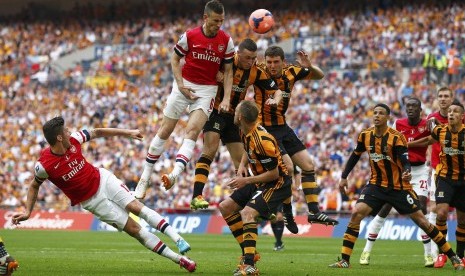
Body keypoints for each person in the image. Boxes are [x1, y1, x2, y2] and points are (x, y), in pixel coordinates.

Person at [11, 117, 196, 272]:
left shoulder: (74, 140)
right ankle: (179, 259)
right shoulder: (44, 165)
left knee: (135, 207)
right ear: (59, 137)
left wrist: (128, 132)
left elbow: (97, 132)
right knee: (135, 230)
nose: (70, 132)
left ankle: (178, 238)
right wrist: (28, 212)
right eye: (66, 131)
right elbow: (34, 186)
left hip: (103, 179)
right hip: (91, 201)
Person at [329, 103, 463, 270]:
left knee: (423, 222)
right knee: (356, 213)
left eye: (380, 113)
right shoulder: (365, 135)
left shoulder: (396, 137)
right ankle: (345, 260)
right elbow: (355, 156)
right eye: (375, 113)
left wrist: (407, 171)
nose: (376, 116)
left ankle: (453, 256)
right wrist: (343, 177)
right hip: (376, 185)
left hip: (399, 187)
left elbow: (405, 160)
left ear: (387, 118)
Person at [134, 0, 235, 198]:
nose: (219, 25)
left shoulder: (226, 41)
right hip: (184, 86)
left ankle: (174, 174)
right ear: (205, 18)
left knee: (192, 131)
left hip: (207, 91)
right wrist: (180, 84)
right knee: (165, 130)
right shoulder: (190, 36)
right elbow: (174, 58)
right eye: (215, 20)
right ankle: (145, 177)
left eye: (221, 21)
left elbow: (229, 72)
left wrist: (226, 99)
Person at [190, 38, 282, 210]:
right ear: (238, 54)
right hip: (216, 112)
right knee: (209, 150)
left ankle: (253, 204)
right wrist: (214, 77)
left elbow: (276, 90)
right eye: (247, 58)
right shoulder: (225, 62)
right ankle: (197, 195)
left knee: (241, 161)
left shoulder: (255, 72)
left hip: (234, 118)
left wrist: (275, 100)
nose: (251, 62)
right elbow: (200, 73)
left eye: (254, 58)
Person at [255, 45, 338, 226]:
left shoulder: (291, 72)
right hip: (265, 129)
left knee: (308, 165)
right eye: (269, 62)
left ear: (283, 62)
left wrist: (309, 65)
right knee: (289, 168)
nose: (272, 66)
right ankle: (287, 211)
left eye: (276, 62)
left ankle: (314, 212)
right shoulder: (258, 71)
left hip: (283, 127)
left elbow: (319, 75)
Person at [218, 100, 292, 276]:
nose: (234, 114)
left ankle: (249, 266)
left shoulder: (262, 140)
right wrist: (243, 165)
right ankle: (249, 253)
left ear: (240, 117)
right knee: (225, 207)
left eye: (236, 111)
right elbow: (246, 149)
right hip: (259, 181)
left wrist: (246, 180)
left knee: (247, 214)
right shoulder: (245, 130)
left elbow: (274, 174)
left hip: (277, 184)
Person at [359, 97, 433, 267]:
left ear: (420, 109)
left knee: (421, 207)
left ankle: (428, 255)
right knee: (385, 207)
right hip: (399, 171)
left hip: (420, 171)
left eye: (415, 106)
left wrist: (408, 144)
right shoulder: (398, 124)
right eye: (408, 106)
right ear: (405, 109)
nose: (411, 109)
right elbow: (388, 143)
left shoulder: (427, 124)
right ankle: (366, 251)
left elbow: (433, 139)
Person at [409, 99, 465, 266]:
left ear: (462, 116)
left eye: (455, 111)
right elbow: (427, 141)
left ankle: (460, 256)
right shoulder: (440, 131)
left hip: (463, 181)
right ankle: (442, 254)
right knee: (441, 213)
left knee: (462, 221)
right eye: (450, 112)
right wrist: (408, 144)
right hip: (445, 178)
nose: (451, 114)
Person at [425, 86, 454, 267]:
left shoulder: (460, 116)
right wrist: (429, 162)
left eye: (446, 96)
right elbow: (430, 141)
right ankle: (439, 252)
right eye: (440, 96)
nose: (443, 99)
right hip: (439, 170)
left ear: (452, 99)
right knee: (437, 210)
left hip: (460, 171)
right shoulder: (431, 119)